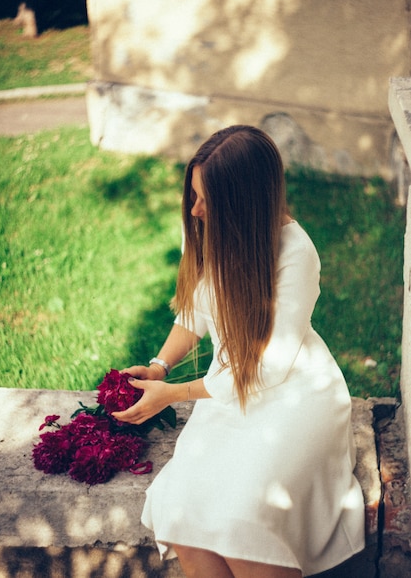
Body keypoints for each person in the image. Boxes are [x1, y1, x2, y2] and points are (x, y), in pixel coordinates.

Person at [113, 125, 365, 578]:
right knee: (186, 522)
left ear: (244, 201)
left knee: (247, 522)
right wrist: (158, 367)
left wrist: (173, 394)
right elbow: (195, 312)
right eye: (194, 195)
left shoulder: (296, 254)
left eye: (206, 198)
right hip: (226, 391)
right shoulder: (212, 226)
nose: (195, 208)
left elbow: (268, 368)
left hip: (293, 395)